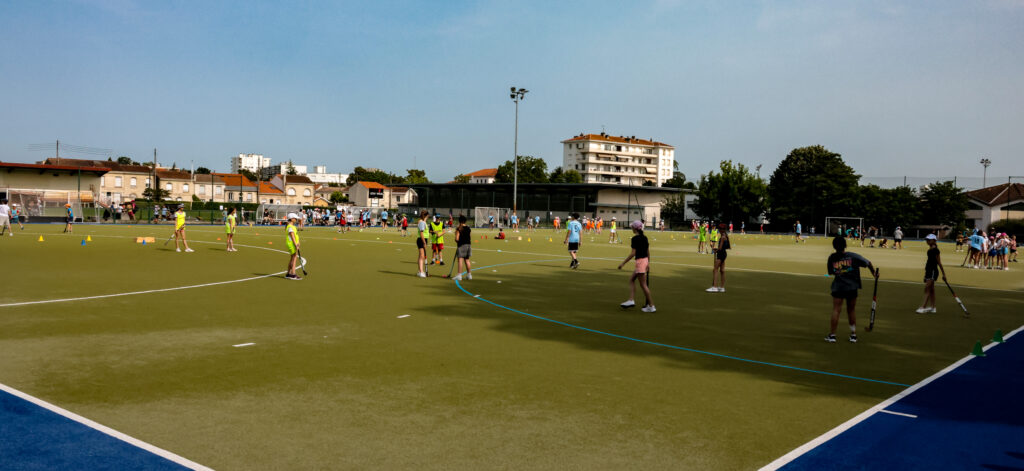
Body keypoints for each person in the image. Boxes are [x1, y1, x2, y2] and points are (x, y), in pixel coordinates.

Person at [825, 236, 877, 343]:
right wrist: (874, 273)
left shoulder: (832, 257)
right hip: (852, 287)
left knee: (836, 310)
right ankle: (853, 335)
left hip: (839, 287)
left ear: (834, 246)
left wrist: (841, 270)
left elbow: (831, 272)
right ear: (845, 245)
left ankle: (832, 335)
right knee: (851, 310)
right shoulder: (853, 256)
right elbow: (868, 262)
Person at [618, 220, 655, 312]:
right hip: (645, 261)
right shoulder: (644, 237)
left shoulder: (635, 239)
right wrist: (648, 263)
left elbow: (633, 253)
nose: (631, 229)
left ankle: (651, 306)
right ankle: (631, 300)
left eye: (632, 227)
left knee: (643, 285)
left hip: (640, 262)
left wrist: (623, 263)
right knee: (632, 280)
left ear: (635, 228)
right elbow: (648, 252)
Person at [916, 234, 946, 313]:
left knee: (927, 288)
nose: (927, 241)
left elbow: (939, 262)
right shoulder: (930, 250)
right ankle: (933, 307)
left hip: (933, 271)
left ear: (934, 240)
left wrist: (944, 274)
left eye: (929, 240)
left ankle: (923, 307)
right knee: (931, 289)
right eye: (927, 240)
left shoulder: (935, 250)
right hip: (928, 271)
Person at [707, 223, 731, 293]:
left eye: (720, 229)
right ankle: (722, 287)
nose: (719, 230)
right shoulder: (725, 236)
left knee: (715, 270)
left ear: (722, 229)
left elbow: (720, 248)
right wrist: (716, 249)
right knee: (722, 271)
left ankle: (714, 287)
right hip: (724, 254)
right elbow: (727, 247)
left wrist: (715, 250)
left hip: (721, 254)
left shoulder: (723, 237)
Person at [454, 215, 473, 281]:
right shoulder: (468, 228)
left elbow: (457, 239)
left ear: (459, 221)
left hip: (461, 245)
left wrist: (456, 240)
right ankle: (469, 275)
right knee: (467, 260)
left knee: (460, 260)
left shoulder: (459, 228)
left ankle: (459, 275)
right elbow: (470, 237)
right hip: (468, 245)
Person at [284, 213, 302, 280]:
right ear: (291, 219)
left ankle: (288, 274)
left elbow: (296, 236)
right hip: (292, 244)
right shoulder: (290, 227)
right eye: (295, 218)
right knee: (294, 259)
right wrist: (295, 244)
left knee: (293, 258)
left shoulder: (293, 226)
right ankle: (293, 274)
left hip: (293, 244)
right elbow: (292, 236)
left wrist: (298, 242)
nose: (296, 219)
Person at [416, 210, 430, 278]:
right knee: (422, 256)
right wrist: (424, 242)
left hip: (424, 239)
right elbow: (421, 233)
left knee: (421, 256)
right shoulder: (422, 222)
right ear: (426, 215)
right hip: (421, 240)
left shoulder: (423, 222)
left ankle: (419, 271)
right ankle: (421, 272)